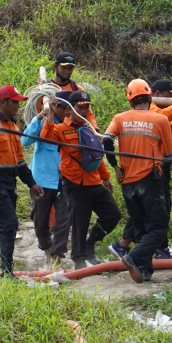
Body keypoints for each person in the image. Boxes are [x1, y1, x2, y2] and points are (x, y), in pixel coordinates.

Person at [108, 77, 172, 261]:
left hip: (147, 172)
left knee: (149, 212)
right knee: (156, 215)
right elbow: (167, 116)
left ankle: (138, 254)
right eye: (171, 97)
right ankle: (148, 252)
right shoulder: (152, 112)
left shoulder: (144, 117)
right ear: (155, 95)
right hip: (150, 171)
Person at [41, 90, 122, 269]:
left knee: (113, 215)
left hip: (94, 182)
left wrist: (106, 177)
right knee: (79, 222)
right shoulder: (61, 129)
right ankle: (79, 260)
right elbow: (46, 137)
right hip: (75, 184)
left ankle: (90, 242)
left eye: (87, 107)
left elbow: (96, 155)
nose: (84, 111)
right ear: (70, 109)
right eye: (80, 107)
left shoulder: (90, 128)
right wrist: (52, 114)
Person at [103, 79, 172, 283]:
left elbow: (106, 140)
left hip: (127, 182)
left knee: (141, 227)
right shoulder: (159, 120)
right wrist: (161, 175)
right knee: (159, 227)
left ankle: (144, 270)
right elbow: (169, 155)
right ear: (150, 97)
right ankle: (133, 257)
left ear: (130, 99)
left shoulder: (120, 118)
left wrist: (115, 167)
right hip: (150, 179)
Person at [0, 85, 44, 277]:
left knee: (1, 226)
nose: (18, 106)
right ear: (3, 102)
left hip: (8, 185)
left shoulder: (14, 126)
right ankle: (7, 271)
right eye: (15, 102)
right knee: (10, 224)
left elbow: (20, 162)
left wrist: (32, 183)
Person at [21, 89, 73, 268]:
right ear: (54, 107)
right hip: (42, 181)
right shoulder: (43, 123)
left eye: (68, 108)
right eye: (62, 108)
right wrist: (40, 117)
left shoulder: (70, 125)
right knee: (40, 220)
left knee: (64, 219)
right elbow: (25, 141)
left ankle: (58, 255)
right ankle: (47, 250)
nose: (66, 111)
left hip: (64, 180)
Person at [39, 52, 98, 128]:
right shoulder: (45, 88)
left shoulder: (76, 89)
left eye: (70, 68)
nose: (67, 71)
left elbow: (88, 113)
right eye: (63, 68)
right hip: (48, 128)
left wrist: (95, 130)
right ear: (55, 67)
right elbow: (36, 112)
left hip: (72, 130)